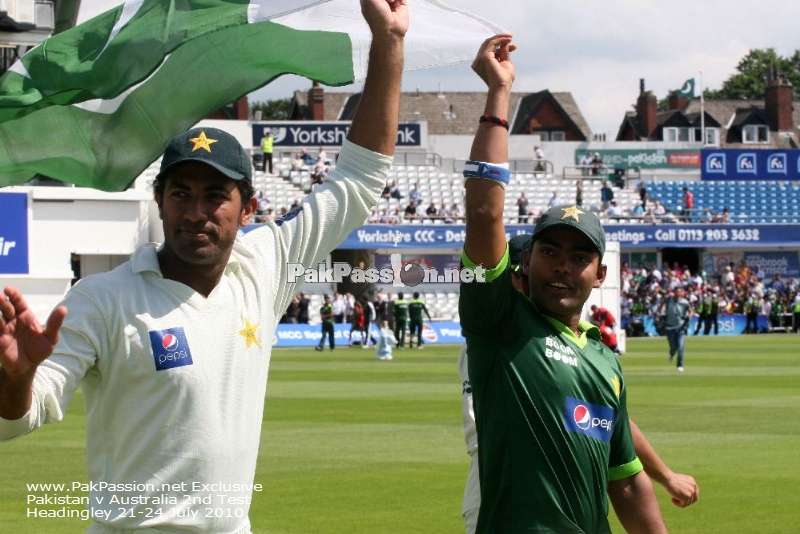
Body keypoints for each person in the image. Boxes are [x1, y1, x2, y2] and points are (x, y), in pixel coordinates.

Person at [0, 2, 408, 531]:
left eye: (215, 195)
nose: (195, 212)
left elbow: (358, 179)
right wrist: (16, 376)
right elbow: (19, 420)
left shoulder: (266, 266)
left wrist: (389, 42)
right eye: (180, 193)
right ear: (160, 201)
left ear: (248, 207)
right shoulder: (101, 298)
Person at [460, 34, 667, 533]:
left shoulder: (606, 362)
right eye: (549, 252)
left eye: (579, 257)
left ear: (601, 275)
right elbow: (485, 211)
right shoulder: (500, 322)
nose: (561, 267)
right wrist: (499, 94)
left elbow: (625, 480)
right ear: (525, 261)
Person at [459, 235, 698, 534]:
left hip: (533, 472)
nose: (521, 286)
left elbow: (596, 418)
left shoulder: (558, 341)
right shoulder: (500, 336)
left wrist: (664, 475)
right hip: (502, 476)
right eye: (518, 276)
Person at [659, 287, 692, 371]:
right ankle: (672, 353)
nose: (678, 293)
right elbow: (662, 304)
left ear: (682, 293)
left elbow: (691, 311)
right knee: (673, 347)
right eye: (676, 292)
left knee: (681, 346)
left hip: (680, 327)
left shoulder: (685, 302)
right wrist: (660, 313)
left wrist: (690, 316)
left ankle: (680, 365)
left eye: (680, 292)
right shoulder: (669, 299)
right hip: (669, 326)